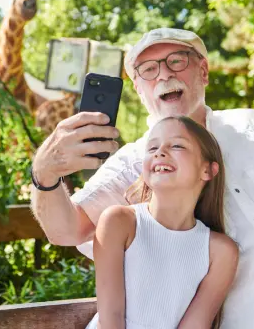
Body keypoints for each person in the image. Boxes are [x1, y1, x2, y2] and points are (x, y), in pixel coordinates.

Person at [29, 28, 254, 329]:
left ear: (203, 71)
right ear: (139, 90)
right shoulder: (139, 162)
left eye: (177, 61)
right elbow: (67, 230)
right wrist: (44, 174)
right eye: (148, 69)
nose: (164, 74)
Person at [90, 115, 238, 329]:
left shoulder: (221, 252)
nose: (160, 152)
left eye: (177, 145)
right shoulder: (119, 222)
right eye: (152, 148)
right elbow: (110, 318)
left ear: (207, 170)